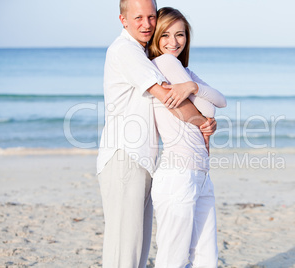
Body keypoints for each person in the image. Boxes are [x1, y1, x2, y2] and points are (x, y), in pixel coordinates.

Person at [96, 0, 216, 267]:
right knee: (123, 250)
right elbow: (169, 100)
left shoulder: (140, 53)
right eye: (138, 18)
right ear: (123, 19)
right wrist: (203, 122)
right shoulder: (125, 50)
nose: (147, 24)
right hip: (125, 157)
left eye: (151, 17)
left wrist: (203, 119)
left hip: (144, 160)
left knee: (137, 247)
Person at [148, 7, 227, 267]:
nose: (173, 42)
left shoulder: (185, 71)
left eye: (180, 34)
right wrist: (204, 118)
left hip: (199, 173)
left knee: (205, 257)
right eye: (165, 35)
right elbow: (207, 107)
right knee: (174, 259)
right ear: (156, 38)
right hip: (179, 173)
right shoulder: (164, 63)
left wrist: (192, 87)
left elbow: (221, 101)